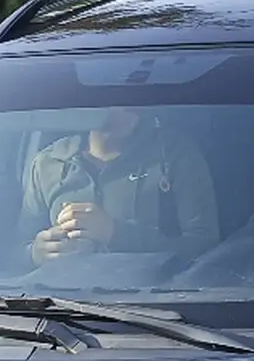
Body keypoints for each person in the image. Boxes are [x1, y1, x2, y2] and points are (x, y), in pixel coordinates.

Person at [21, 105, 219, 266]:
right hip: (58, 306)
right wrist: (35, 253)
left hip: (152, 306)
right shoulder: (48, 163)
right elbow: (9, 253)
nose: (129, 107)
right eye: (111, 99)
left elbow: (205, 247)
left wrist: (116, 234)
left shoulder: (175, 155)